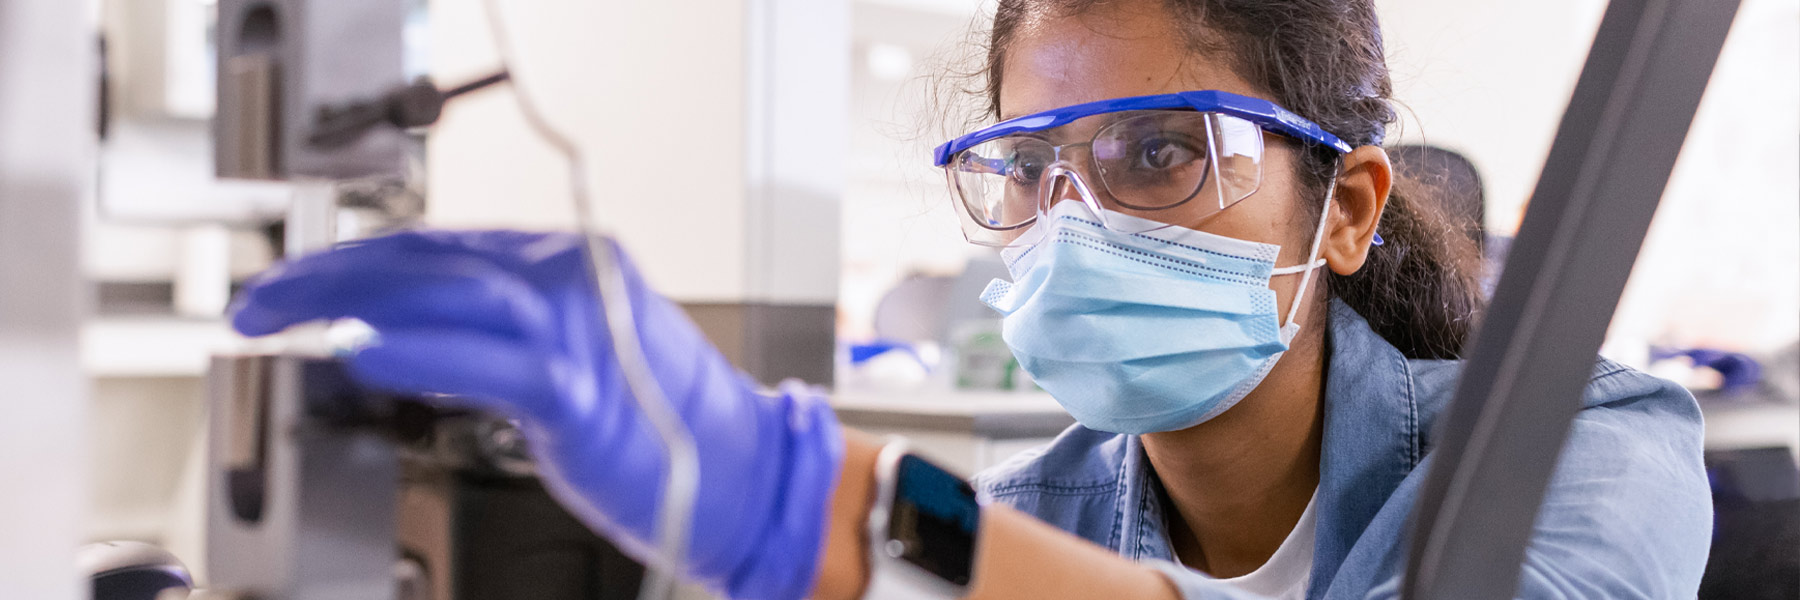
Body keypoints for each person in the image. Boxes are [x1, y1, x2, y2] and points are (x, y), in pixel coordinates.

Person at [228, 0, 1712, 598]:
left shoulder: (1591, 445)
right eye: (1027, 164)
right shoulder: (1037, 514)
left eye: (1155, 152)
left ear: (1348, 208)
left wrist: (837, 507)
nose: (1071, 223)